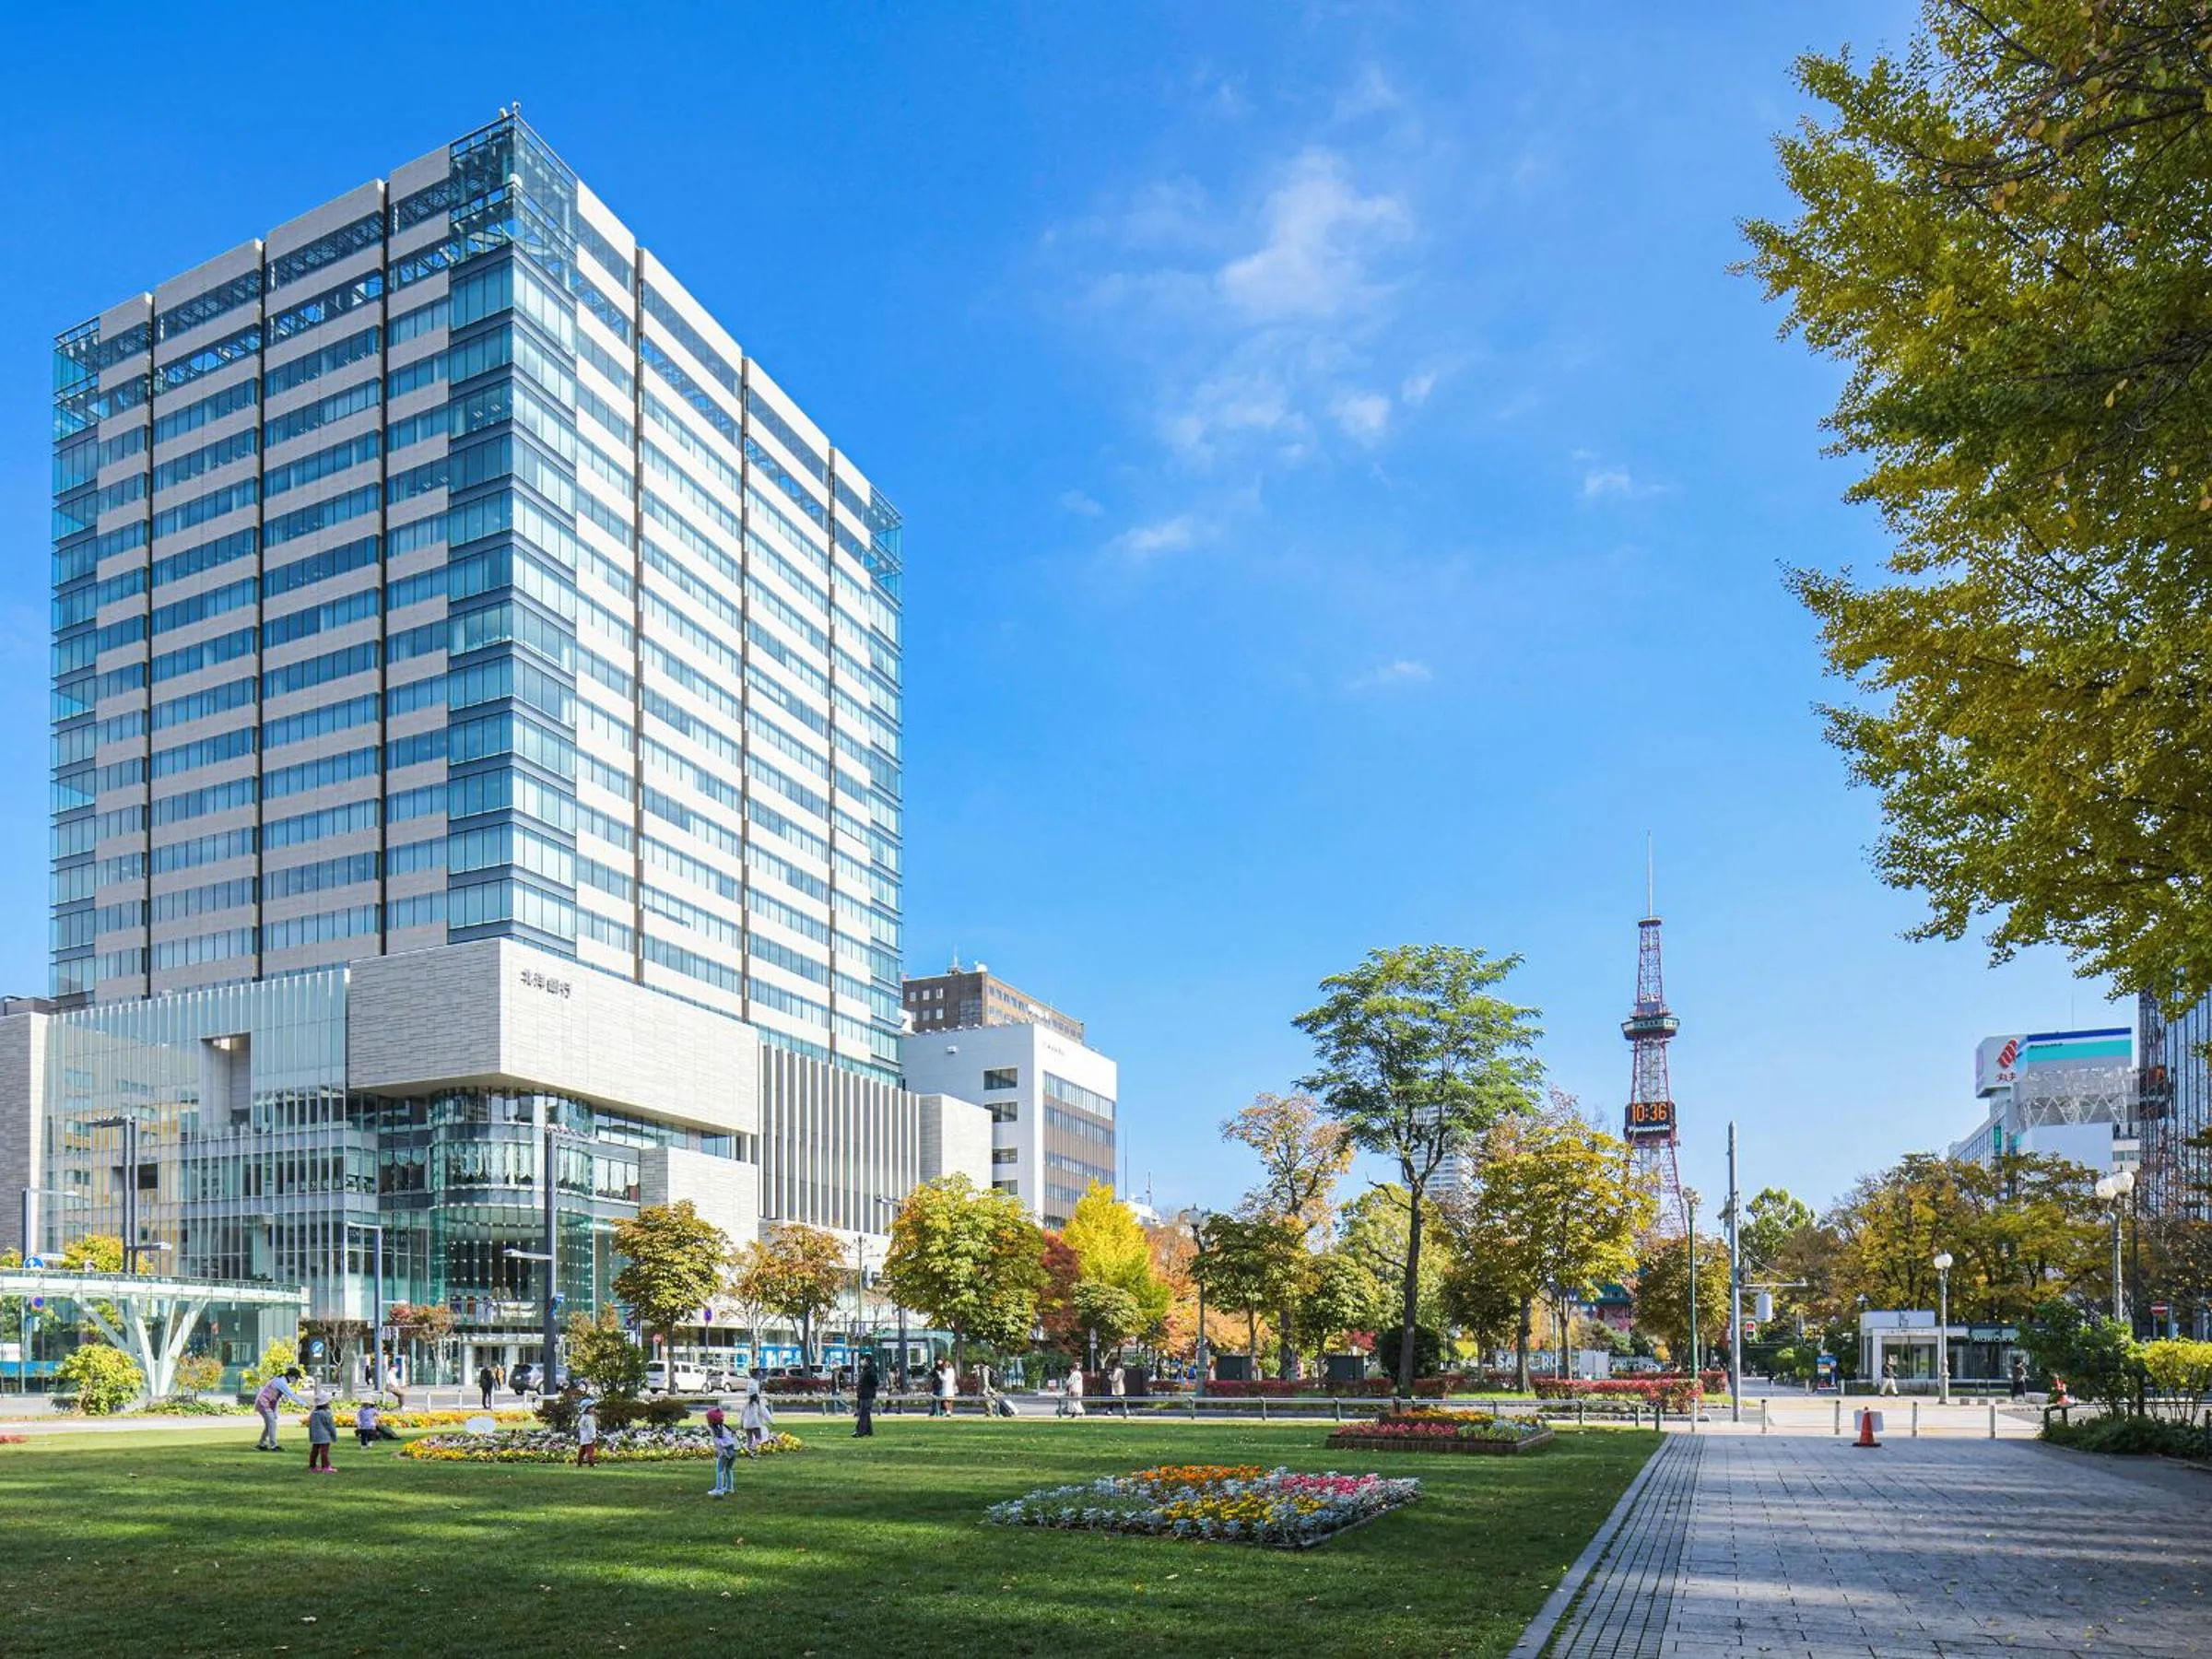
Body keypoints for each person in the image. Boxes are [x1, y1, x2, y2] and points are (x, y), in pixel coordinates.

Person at [253, 1367, 309, 1452]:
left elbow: (276, 1399)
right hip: (263, 1403)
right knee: (272, 1424)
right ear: (290, 1376)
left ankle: (261, 1444)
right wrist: (305, 1405)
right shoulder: (280, 1382)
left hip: (265, 1404)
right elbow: (291, 1395)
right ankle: (273, 1446)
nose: (297, 1380)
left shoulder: (280, 1381)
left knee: (270, 1425)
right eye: (296, 1378)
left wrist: (275, 1413)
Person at [705, 1406, 738, 1496]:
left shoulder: (715, 1430)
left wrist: (722, 1452)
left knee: (719, 1469)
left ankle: (719, 1490)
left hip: (726, 1451)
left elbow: (719, 1443)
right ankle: (729, 1488)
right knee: (728, 1468)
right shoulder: (725, 1427)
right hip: (735, 1449)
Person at [740, 1377, 774, 1456]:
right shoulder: (758, 1404)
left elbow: (742, 1415)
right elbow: (765, 1413)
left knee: (749, 1439)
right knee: (759, 1438)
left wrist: (741, 1424)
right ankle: (752, 1448)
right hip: (755, 1424)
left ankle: (750, 1453)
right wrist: (772, 1422)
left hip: (746, 1425)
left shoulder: (746, 1404)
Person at [305, 1394, 337, 1473]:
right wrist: (334, 1436)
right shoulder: (326, 1414)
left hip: (315, 1436)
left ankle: (312, 1467)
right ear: (325, 1404)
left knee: (314, 1451)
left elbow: (311, 1425)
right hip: (325, 1437)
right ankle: (326, 1467)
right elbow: (331, 1426)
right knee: (324, 1452)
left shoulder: (313, 1414)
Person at [853, 1358, 878, 1438]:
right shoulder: (865, 1371)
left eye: (863, 1360)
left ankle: (860, 1432)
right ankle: (869, 1431)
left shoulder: (870, 1371)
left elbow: (875, 1382)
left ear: (867, 1361)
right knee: (866, 1414)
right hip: (863, 1395)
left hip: (866, 1395)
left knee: (863, 1414)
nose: (861, 1361)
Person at [576, 1397, 600, 1467]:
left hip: (583, 1438)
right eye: (591, 1408)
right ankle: (591, 1463)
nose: (593, 1409)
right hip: (589, 1439)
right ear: (586, 1409)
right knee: (590, 1452)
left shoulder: (583, 1417)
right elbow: (591, 1428)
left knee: (581, 1452)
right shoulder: (589, 1418)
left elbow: (580, 1426)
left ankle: (579, 1463)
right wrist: (593, 1437)